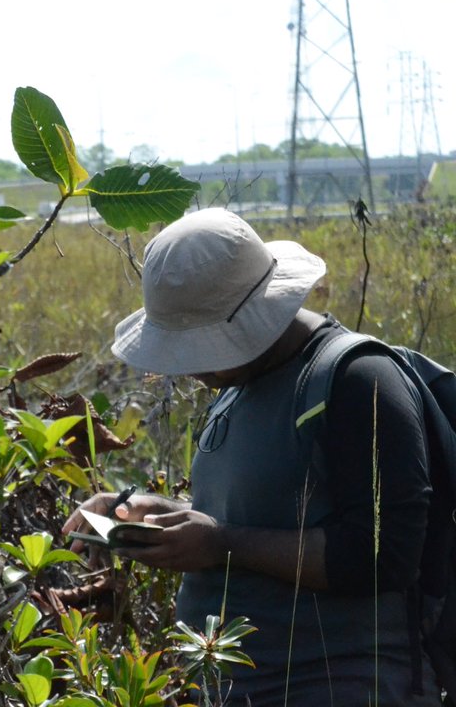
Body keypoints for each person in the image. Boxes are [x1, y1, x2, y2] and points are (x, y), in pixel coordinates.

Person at [62, 208, 439, 705]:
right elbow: (254, 518)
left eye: (201, 348)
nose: (191, 369)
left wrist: (221, 545)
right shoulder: (238, 385)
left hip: (341, 685)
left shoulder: (358, 379)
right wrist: (149, 514)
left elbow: (382, 557)